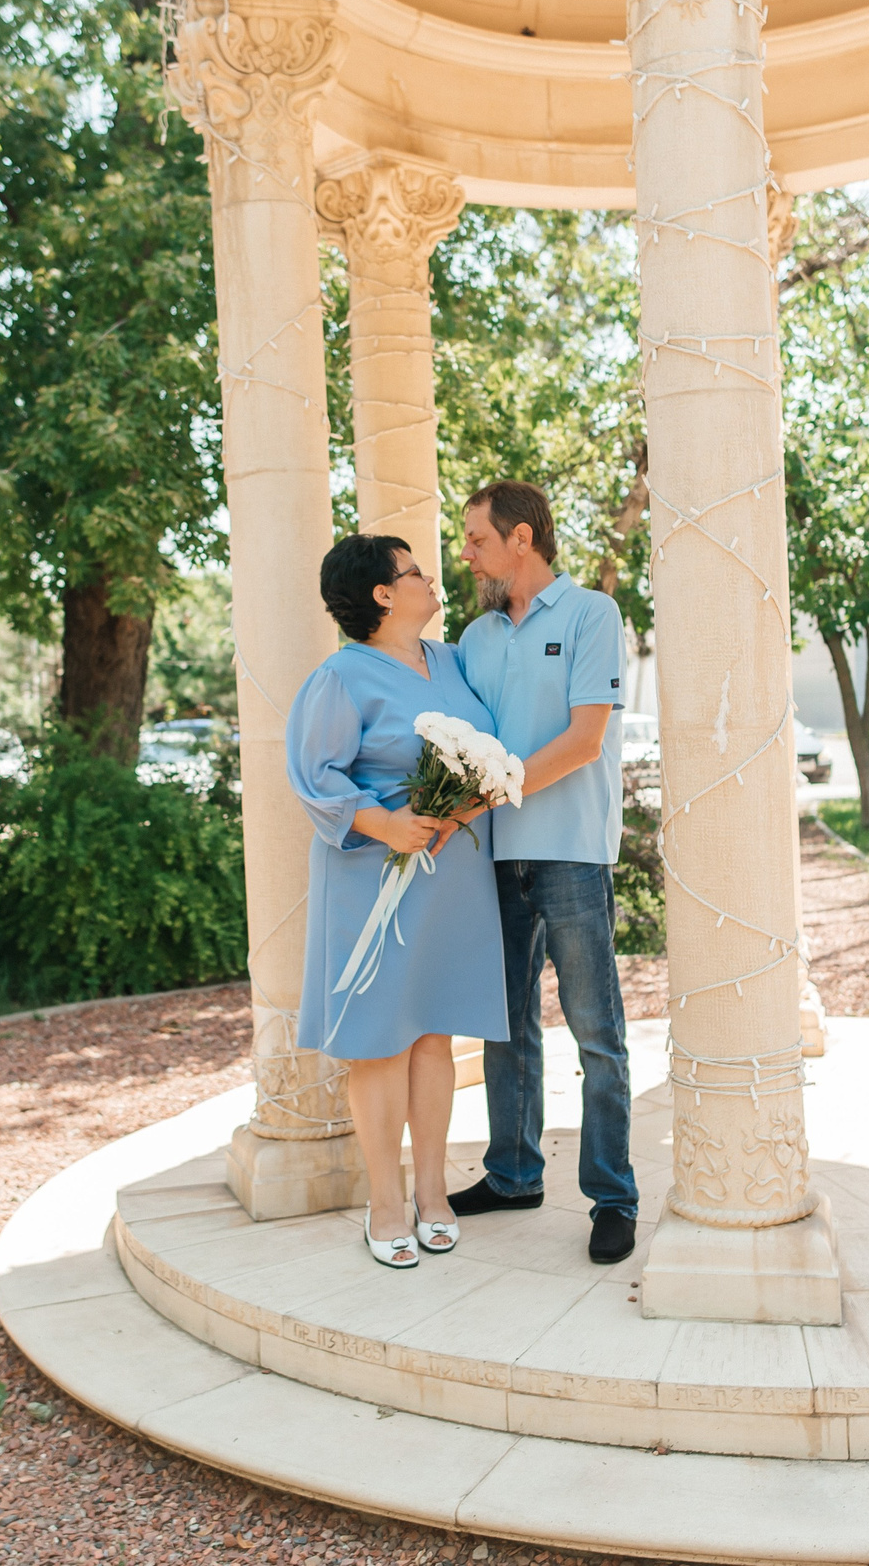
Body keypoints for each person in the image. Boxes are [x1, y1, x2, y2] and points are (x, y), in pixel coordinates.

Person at [288, 534, 511, 1270]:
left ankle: (432, 1191)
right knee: (379, 1043)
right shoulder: (341, 679)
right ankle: (385, 1202)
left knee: (434, 1034)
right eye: (414, 570)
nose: (430, 577)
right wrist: (385, 822)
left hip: (451, 880)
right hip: (372, 878)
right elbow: (314, 774)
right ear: (384, 594)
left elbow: (484, 750)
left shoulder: (450, 660)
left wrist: (465, 803)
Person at [445, 481, 638, 1266]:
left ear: (522, 539)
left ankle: (612, 1197)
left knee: (597, 1031)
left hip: (572, 852)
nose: (467, 552)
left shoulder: (594, 614)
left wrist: (499, 780)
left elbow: (586, 738)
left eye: (477, 539)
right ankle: (514, 1172)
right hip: (495, 853)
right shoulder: (475, 635)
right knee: (507, 1025)